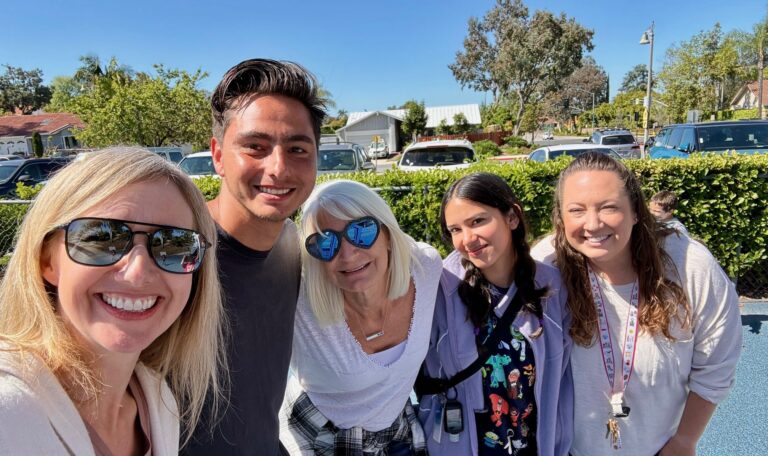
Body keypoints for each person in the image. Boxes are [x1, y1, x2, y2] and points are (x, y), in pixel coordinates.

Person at [0, 148, 226, 454]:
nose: (137, 273)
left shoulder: (159, 404)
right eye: (101, 239)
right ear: (47, 260)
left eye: (174, 244)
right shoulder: (9, 413)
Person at [536, 152, 741, 456]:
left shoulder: (689, 265)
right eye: (576, 210)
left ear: (635, 211)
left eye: (608, 207)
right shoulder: (546, 267)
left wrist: (685, 440)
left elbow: (716, 365)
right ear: (561, 218)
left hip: (660, 449)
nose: (592, 224)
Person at [183, 59, 327, 455]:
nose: (278, 168)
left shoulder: (292, 245)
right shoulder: (176, 256)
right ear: (217, 155)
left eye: (297, 149)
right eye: (255, 147)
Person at [279, 179, 442, 455]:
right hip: (319, 434)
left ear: (388, 235)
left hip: (395, 429)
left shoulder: (424, 268)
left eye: (361, 231)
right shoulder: (297, 297)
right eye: (325, 242)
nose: (347, 254)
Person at [417, 172, 573, 455]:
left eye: (478, 221)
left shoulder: (552, 287)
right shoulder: (440, 289)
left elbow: (562, 382)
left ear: (512, 217)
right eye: (455, 229)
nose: (467, 239)